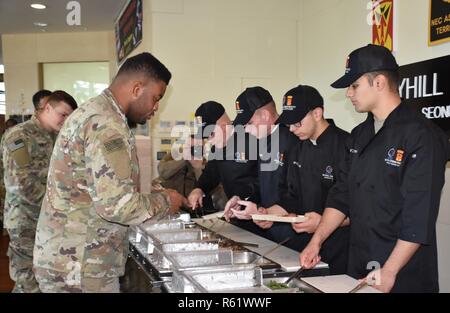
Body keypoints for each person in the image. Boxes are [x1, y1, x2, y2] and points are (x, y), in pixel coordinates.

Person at [300, 44, 450, 292]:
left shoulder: (423, 135)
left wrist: (390, 270)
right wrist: (316, 242)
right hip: (359, 263)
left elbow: (419, 217)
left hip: (401, 273)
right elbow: (341, 195)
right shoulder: (359, 135)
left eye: (354, 85)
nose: (349, 93)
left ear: (379, 83)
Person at [33, 52, 187, 293]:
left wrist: (153, 191)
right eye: (156, 98)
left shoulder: (93, 113)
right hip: (81, 267)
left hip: (70, 260)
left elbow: (94, 184)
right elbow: (118, 205)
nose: (156, 107)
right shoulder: (106, 124)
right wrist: (167, 201)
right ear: (137, 88)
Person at [231, 85, 350, 274]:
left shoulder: (347, 145)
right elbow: (292, 196)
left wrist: (320, 223)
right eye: (289, 124)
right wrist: (268, 215)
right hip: (306, 247)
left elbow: (356, 206)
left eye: (297, 123)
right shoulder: (300, 147)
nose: (292, 130)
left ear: (317, 114)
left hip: (340, 247)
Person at [2, 90, 78, 293]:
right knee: (27, 281)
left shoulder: (56, 137)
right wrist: (57, 207)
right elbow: (19, 183)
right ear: (48, 108)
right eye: (63, 114)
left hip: (49, 222)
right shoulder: (18, 136)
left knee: (46, 278)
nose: (65, 120)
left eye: (70, 116)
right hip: (25, 221)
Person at [223, 87, 299, 239]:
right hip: (271, 230)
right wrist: (241, 198)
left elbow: (298, 192)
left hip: (294, 231)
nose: (246, 130)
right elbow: (261, 182)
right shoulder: (263, 141)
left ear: (265, 115)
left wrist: (269, 213)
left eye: (249, 123)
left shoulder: (294, 139)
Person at [188, 101, 260, 214]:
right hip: (236, 212)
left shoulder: (253, 139)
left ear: (223, 125)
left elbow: (266, 180)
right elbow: (210, 174)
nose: (210, 141)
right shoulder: (216, 149)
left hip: (259, 212)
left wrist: (244, 196)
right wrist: (199, 189)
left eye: (211, 134)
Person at [154, 136, 227, 215]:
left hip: (194, 208)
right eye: (191, 147)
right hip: (173, 204)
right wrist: (184, 159)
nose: (194, 150)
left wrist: (198, 167)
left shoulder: (207, 164)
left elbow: (205, 187)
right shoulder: (174, 155)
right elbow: (163, 172)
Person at [1, 118, 19, 234]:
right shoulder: (15, 137)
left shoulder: (5, 136)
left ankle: (6, 229)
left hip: (6, 175)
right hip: (13, 177)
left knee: (7, 203)